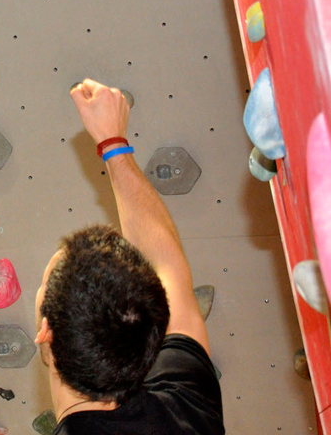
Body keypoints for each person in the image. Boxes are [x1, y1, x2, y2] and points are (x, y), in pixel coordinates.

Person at [34, 79, 225, 433]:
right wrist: (113, 144)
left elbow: (168, 270)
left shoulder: (188, 399)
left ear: (46, 332)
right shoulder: (186, 404)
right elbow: (165, 262)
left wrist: (112, 143)